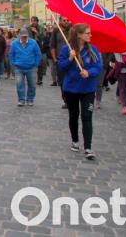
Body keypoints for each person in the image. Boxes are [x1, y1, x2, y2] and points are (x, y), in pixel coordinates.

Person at [58, 23, 102, 160]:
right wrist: (70, 58)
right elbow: (61, 67)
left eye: (90, 33)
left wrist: (89, 72)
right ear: (79, 35)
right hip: (71, 89)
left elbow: (98, 67)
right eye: (87, 33)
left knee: (87, 116)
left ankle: (88, 147)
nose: (90, 35)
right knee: (73, 115)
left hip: (88, 89)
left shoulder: (93, 50)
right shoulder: (67, 49)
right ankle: (75, 140)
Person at [9, 28, 42, 106]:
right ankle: (21, 99)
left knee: (32, 85)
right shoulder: (14, 43)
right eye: (23, 36)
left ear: (28, 36)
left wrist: (36, 64)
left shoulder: (33, 42)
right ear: (19, 35)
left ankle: (30, 99)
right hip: (18, 68)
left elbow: (38, 54)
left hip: (31, 68)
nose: (24, 38)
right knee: (19, 84)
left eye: (26, 36)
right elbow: (11, 54)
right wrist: (13, 64)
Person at [50, 17, 72, 108]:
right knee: (62, 82)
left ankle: (72, 100)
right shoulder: (56, 31)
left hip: (72, 59)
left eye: (67, 20)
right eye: (64, 20)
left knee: (71, 80)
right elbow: (52, 46)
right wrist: (55, 59)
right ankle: (66, 100)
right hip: (60, 60)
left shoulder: (72, 30)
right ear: (60, 21)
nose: (66, 22)